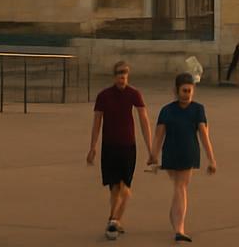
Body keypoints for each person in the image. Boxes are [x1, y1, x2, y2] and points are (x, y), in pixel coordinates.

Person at [86, 60, 154, 241]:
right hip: (109, 148)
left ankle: (113, 219)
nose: (122, 79)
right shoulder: (104, 96)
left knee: (124, 187)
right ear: (114, 76)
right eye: (119, 75)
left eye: (124, 76)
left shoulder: (134, 94)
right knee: (115, 188)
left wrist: (151, 150)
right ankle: (114, 220)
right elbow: (97, 122)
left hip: (128, 148)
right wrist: (92, 147)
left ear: (127, 77)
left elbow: (144, 120)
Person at [150, 72, 217, 244]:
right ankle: (178, 226)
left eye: (189, 91)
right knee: (180, 188)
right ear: (176, 90)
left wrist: (212, 159)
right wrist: (153, 156)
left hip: (189, 153)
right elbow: (159, 135)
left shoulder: (198, 109)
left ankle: (177, 224)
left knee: (180, 188)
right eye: (184, 91)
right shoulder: (167, 110)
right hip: (171, 153)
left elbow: (204, 135)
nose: (186, 94)